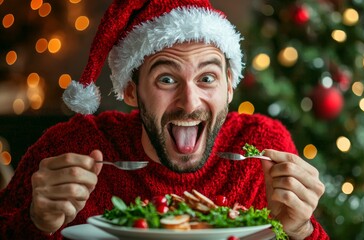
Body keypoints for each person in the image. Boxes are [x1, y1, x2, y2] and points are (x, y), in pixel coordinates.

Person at [0, 0, 328, 239]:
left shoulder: (261, 149)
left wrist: (301, 230)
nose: (189, 103)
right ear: (131, 90)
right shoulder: (74, 147)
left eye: (208, 78)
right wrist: (34, 222)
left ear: (230, 86)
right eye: (167, 80)